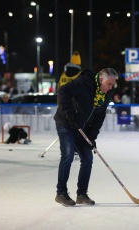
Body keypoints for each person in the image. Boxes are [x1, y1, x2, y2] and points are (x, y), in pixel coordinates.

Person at [53, 68, 118, 206]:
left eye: (112, 85)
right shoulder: (84, 82)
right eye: (109, 84)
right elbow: (63, 91)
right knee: (68, 155)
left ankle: (81, 194)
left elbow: (99, 118)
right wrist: (69, 113)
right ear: (101, 79)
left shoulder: (104, 95)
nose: (111, 88)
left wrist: (92, 138)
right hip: (66, 123)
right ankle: (61, 193)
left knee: (88, 158)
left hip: (81, 129)